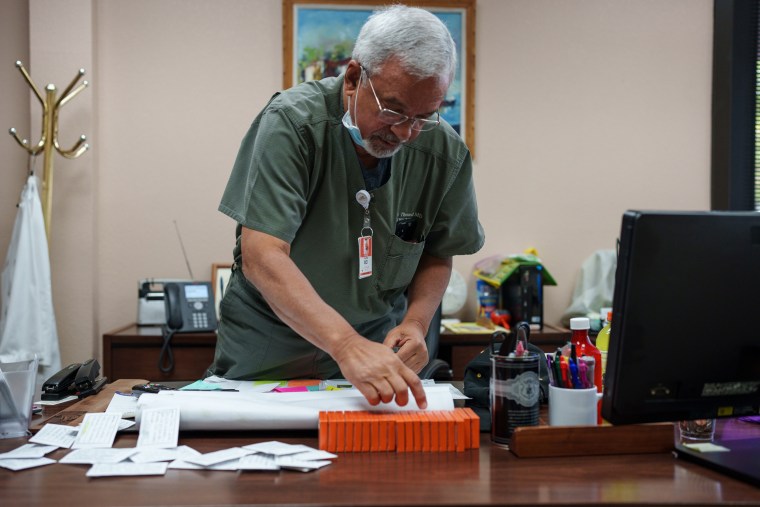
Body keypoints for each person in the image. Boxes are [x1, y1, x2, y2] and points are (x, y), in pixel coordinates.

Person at [208, 5, 484, 409]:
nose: (406, 132)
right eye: (393, 110)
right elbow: (262, 255)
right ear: (354, 78)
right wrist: (344, 344)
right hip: (270, 348)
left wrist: (416, 322)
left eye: (424, 116)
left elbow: (438, 252)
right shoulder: (293, 125)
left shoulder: (443, 150)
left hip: (375, 353)